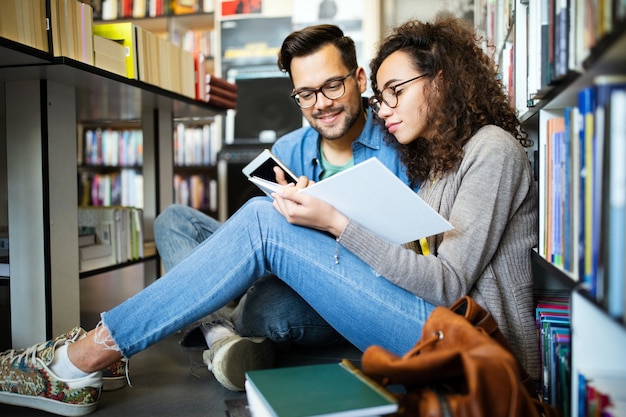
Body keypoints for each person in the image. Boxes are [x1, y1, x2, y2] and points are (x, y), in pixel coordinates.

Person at [0, 15, 540, 417]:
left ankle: (83, 358)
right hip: (425, 323)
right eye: (385, 96)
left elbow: (445, 284)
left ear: (443, 81)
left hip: (473, 348)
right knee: (202, 222)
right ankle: (192, 336)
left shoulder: (490, 151)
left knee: (262, 232)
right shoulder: (441, 155)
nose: (386, 106)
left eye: (395, 91)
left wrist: (334, 222)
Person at [152, 23, 412, 392]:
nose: (320, 104)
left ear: (359, 79)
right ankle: (221, 334)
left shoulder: (398, 141)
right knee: (173, 220)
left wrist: (327, 224)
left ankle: (217, 320)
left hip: (344, 290)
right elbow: (261, 236)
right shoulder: (289, 149)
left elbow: (409, 256)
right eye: (305, 94)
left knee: (267, 306)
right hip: (276, 270)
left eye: (332, 86)